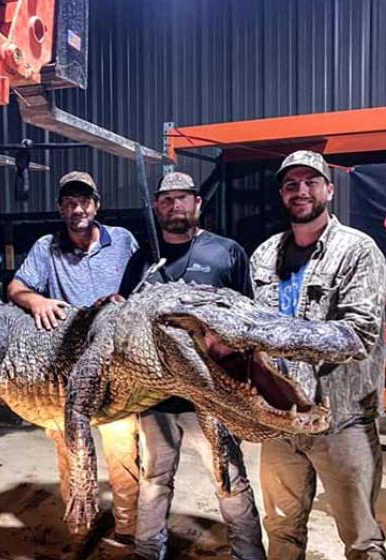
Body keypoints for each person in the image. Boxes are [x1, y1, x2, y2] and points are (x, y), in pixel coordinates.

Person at [119, 171, 265, 560]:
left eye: (182, 198)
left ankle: (249, 554)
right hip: (156, 395)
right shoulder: (143, 259)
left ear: (197, 203)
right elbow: (126, 315)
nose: (175, 206)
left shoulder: (226, 252)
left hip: (211, 396)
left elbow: (248, 319)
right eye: (166, 200)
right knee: (154, 479)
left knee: (229, 478)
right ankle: (148, 551)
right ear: (156, 207)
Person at [251, 150, 386, 559]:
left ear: (329, 189)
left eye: (311, 182)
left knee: (361, 538)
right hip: (281, 418)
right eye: (291, 184)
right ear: (282, 195)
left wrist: (283, 336)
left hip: (342, 420)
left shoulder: (357, 251)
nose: (301, 191)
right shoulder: (264, 255)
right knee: (281, 529)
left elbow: (359, 334)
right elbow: (252, 330)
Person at [7, 170, 141, 544]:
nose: (77, 208)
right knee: (70, 451)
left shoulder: (123, 241)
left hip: (116, 368)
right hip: (64, 372)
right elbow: (16, 287)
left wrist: (125, 300)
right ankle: (80, 524)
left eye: (84, 201)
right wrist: (36, 300)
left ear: (97, 205)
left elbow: (144, 284)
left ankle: (127, 525)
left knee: (123, 449)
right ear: (60, 208)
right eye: (69, 202)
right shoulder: (47, 247)